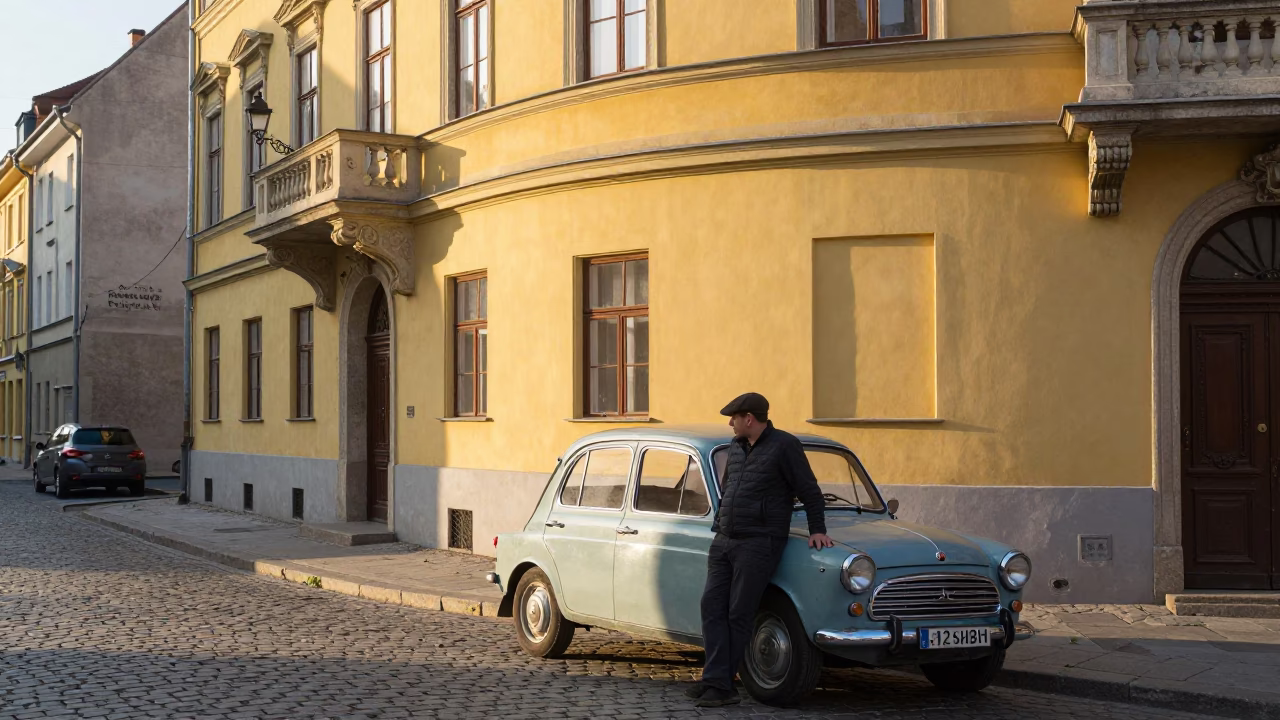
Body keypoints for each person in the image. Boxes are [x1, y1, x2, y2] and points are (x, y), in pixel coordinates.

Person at [687, 392, 832, 707]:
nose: (730, 423)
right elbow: (728, 491)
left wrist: (817, 530)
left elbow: (809, 490)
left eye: (734, 418)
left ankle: (724, 688)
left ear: (749, 419)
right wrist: (719, 528)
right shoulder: (736, 448)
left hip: (759, 543)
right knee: (711, 607)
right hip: (726, 540)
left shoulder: (785, 446)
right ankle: (714, 679)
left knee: (739, 613)